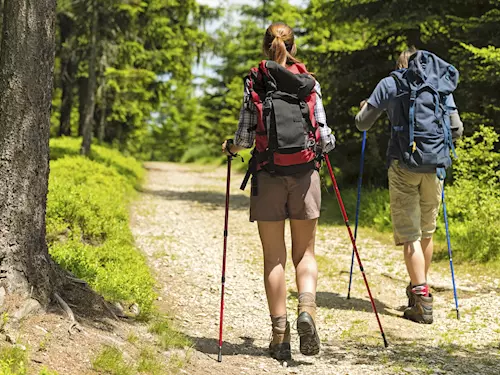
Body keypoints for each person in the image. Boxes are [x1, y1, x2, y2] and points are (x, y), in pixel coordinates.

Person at [221, 22, 335, 360]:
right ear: (293, 46)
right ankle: (307, 311)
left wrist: (231, 147)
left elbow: (245, 136)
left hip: (268, 174)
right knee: (305, 254)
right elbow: (325, 136)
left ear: (265, 46)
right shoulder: (308, 82)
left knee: (274, 258)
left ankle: (279, 336)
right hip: (304, 175)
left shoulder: (255, 80)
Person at [355, 48, 463, 324]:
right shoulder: (440, 84)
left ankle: (422, 299)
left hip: (403, 164)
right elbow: (457, 129)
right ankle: (419, 287)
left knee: (410, 234)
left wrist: (364, 108)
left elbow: (362, 124)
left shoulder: (391, 83)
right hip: (435, 166)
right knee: (427, 230)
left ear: (400, 64)